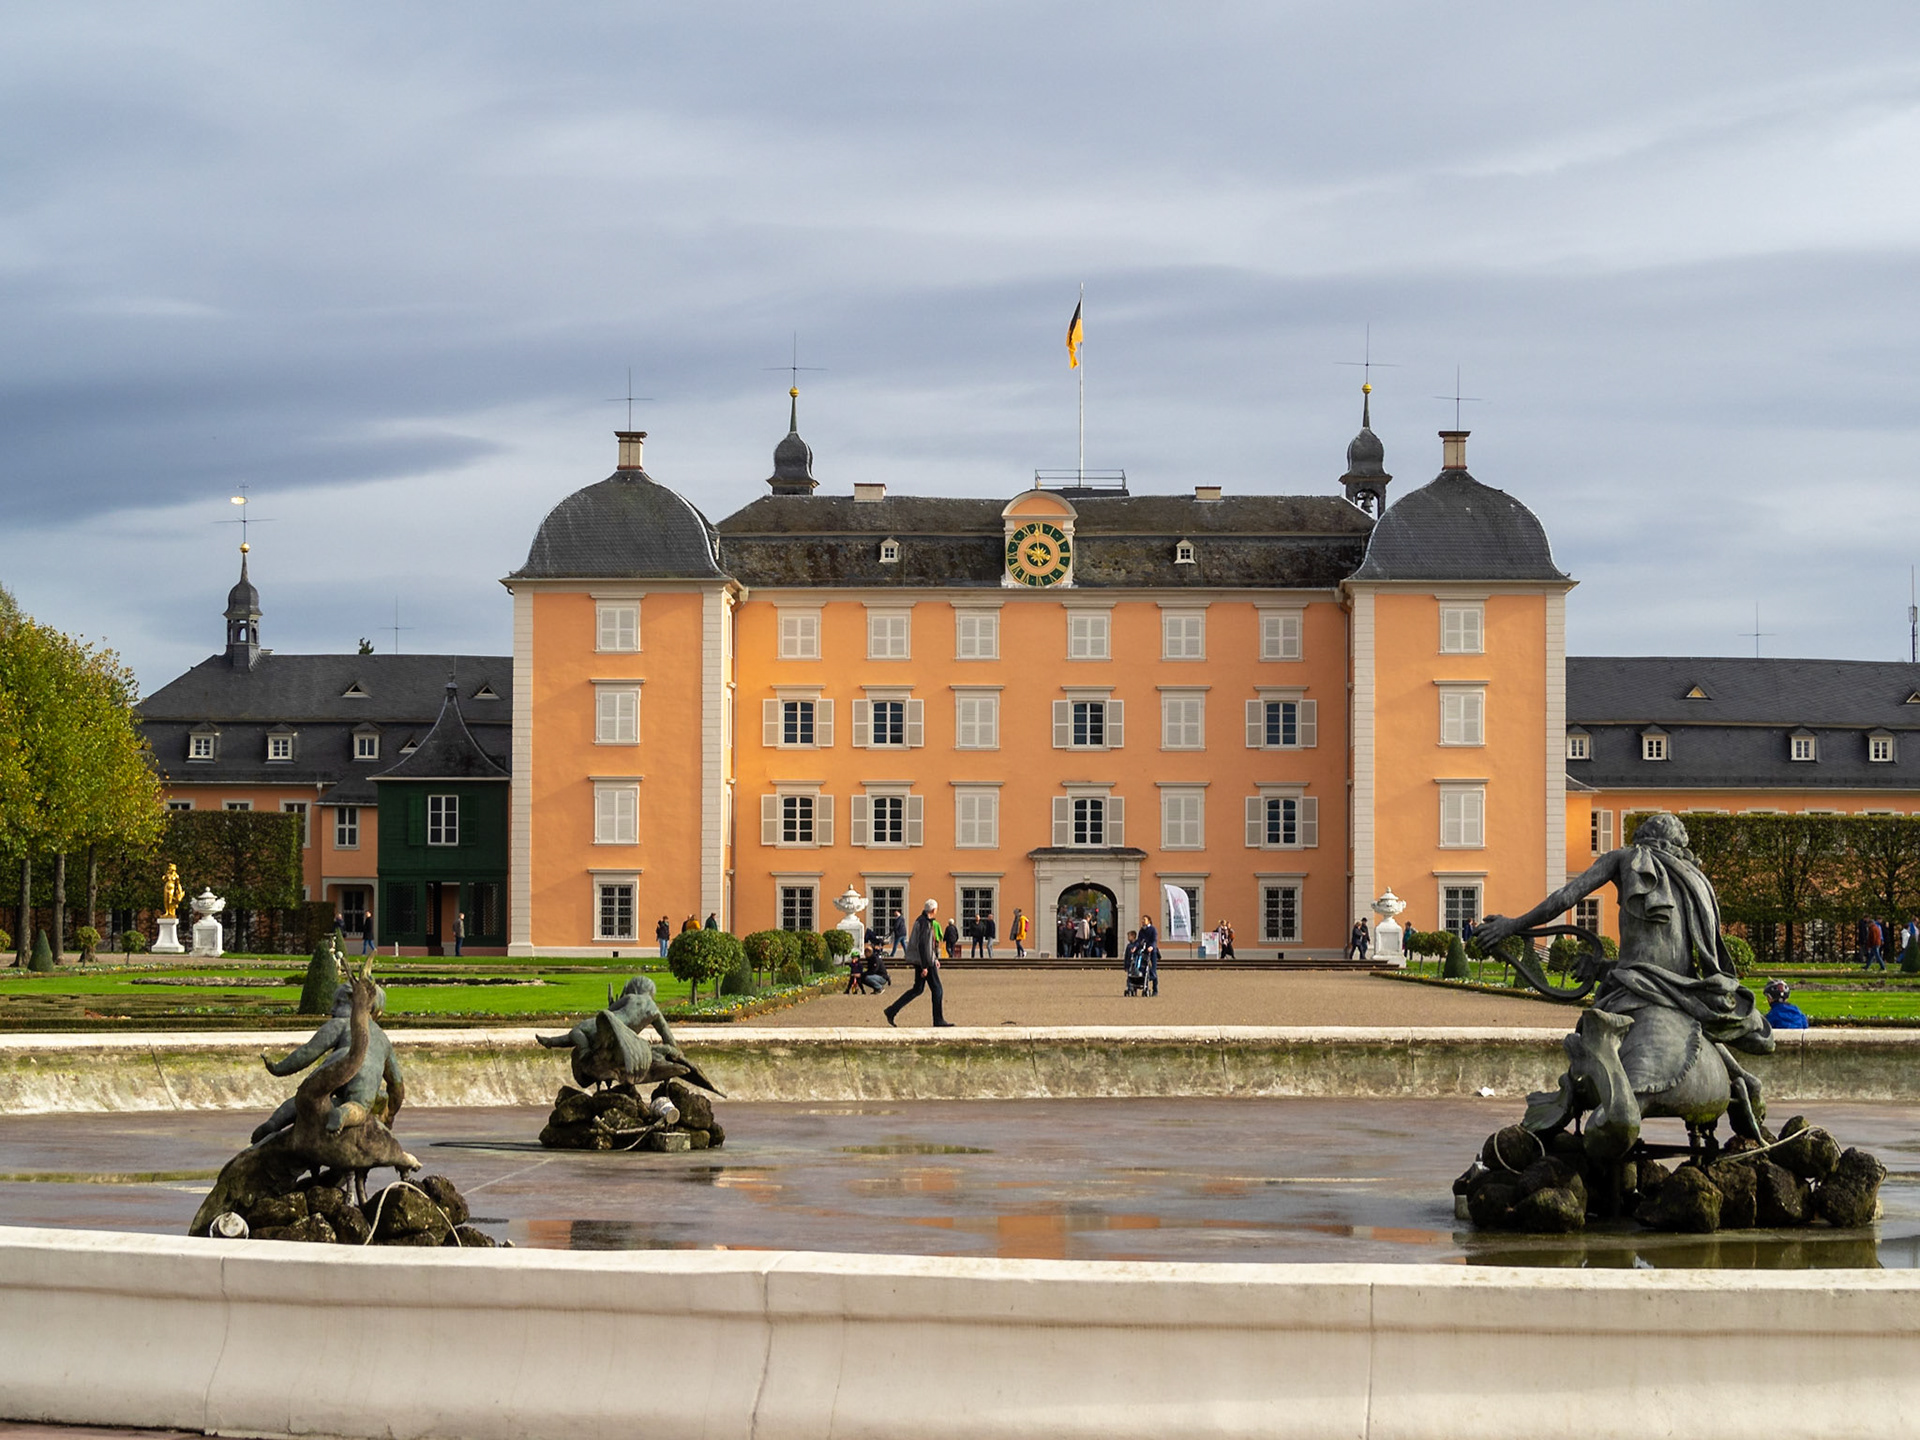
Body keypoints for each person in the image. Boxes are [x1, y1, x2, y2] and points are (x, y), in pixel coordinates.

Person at [885, 899, 951, 1027]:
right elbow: (923, 946)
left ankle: (892, 1010)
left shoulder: (922, 921)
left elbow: (927, 945)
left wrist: (935, 959)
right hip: (925, 961)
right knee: (937, 989)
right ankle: (938, 1020)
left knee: (918, 989)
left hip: (924, 960)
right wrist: (925, 966)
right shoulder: (925, 923)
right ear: (933, 910)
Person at [1137, 912, 1160, 996]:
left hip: (1152, 952)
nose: (1142, 921)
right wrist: (1136, 946)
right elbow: (1139, 940)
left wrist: (1152, 947)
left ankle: (1155, 989)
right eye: (1142, 920)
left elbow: (1154, 940)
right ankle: (1144, 984)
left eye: (1144, 920)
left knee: (1153, 970)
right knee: (1142, 968)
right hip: (1144, 951)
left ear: (1149, 921)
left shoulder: (1153, 929)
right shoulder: (1141, 931)